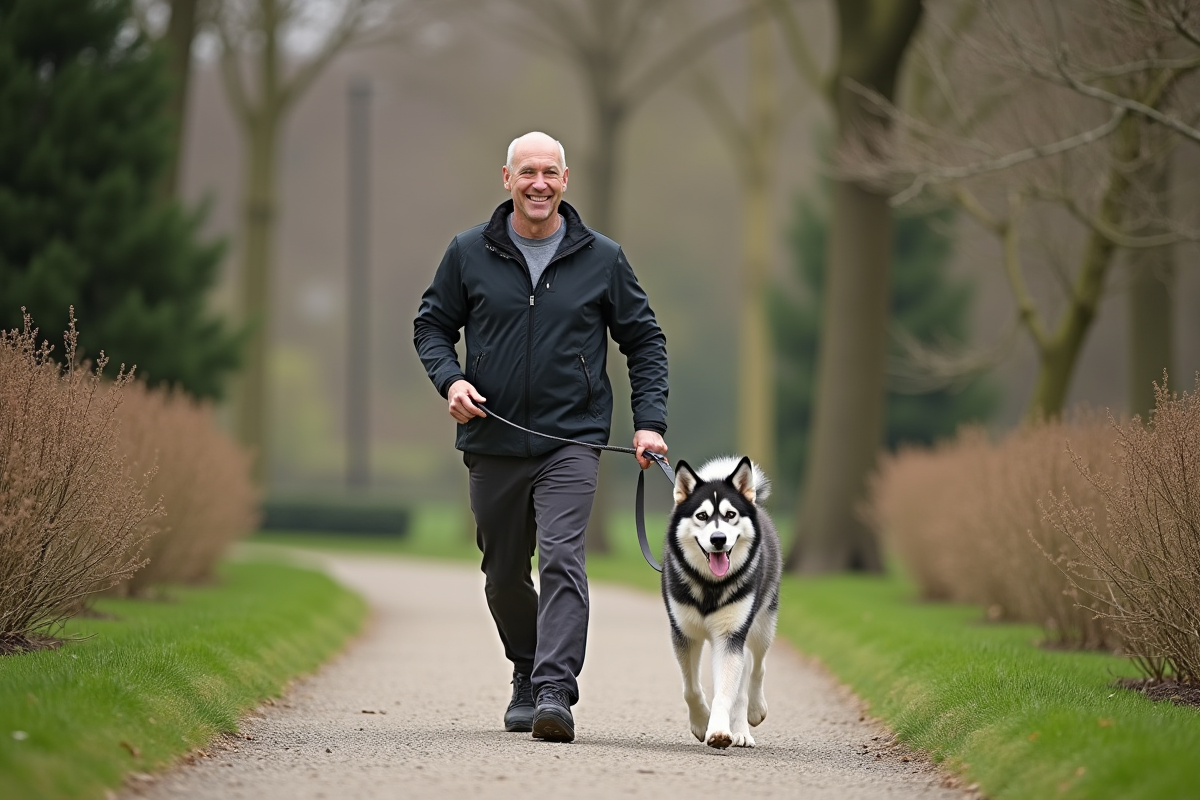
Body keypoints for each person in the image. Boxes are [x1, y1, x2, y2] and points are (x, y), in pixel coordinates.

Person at [412, 131, 669, 743]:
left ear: (565, 179)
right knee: (503, 575)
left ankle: (555, 689)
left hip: (572, 440)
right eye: (527, 172)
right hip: (492, 438)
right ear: (506, 178)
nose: (538, 184)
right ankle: (525, 669)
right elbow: (431, 326)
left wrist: (650, 422)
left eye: (549, 172)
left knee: (561, 558)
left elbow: (645, 341)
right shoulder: (467, 253)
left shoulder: (602, 258)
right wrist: (451, 383)